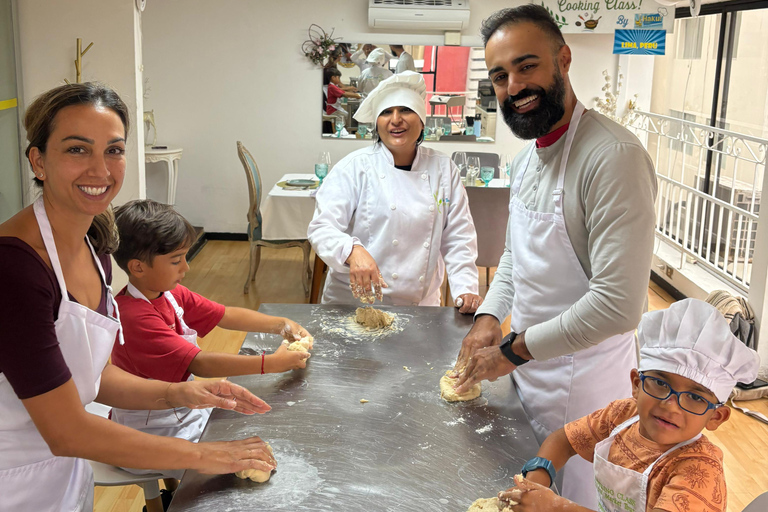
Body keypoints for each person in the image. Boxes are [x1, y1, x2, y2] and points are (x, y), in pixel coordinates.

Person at [0, 83, 275, 512]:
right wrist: (205, 455)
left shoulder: (93, 249)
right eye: (77, 150)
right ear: (38, 161)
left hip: (62, 476)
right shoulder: (14, 268)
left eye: (114, 150)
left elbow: (94, 377)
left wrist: (180, 394)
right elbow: (66, 430)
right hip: (12, 481)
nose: (101, 170)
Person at [452, 5, 658, 507]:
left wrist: (512, 350)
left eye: (527, 66)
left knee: (570, 501)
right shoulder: (526, 160)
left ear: (563, 59)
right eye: (500, 75)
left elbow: (617, 305)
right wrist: (488, 316)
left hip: (583, 388)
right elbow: (517, 259)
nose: (514, 86)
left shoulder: (612, 158)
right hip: (525, 371)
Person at [109, 199, 311, 479]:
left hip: (181, 408)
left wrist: (281, 324)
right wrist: (272, 363)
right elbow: (200, 364)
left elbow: (224, 314)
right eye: (176, 260)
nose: (186, 268)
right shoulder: (134, 316)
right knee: (235, 464)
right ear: (138, 267)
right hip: (152, 431)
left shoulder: (170, 293)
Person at [500, 299, 760, 512]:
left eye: (695, 397)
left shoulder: (699, 471)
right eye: (660, 383)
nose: (671, 406)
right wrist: (535, 482)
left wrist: (555, 506)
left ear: (717, 417)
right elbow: (563, 441)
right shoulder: (622, 416)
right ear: (636, 384)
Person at [308, 71, 482, 312]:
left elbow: (458, 236)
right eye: (387, 112)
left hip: (420, 306)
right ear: (377, 123)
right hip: (353, 302)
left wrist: (466, 288)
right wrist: (352, 251)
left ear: (422, 121)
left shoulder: (444, 170)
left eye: (406, 110)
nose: (396, 119)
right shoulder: (354, 167)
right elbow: (321, 228)